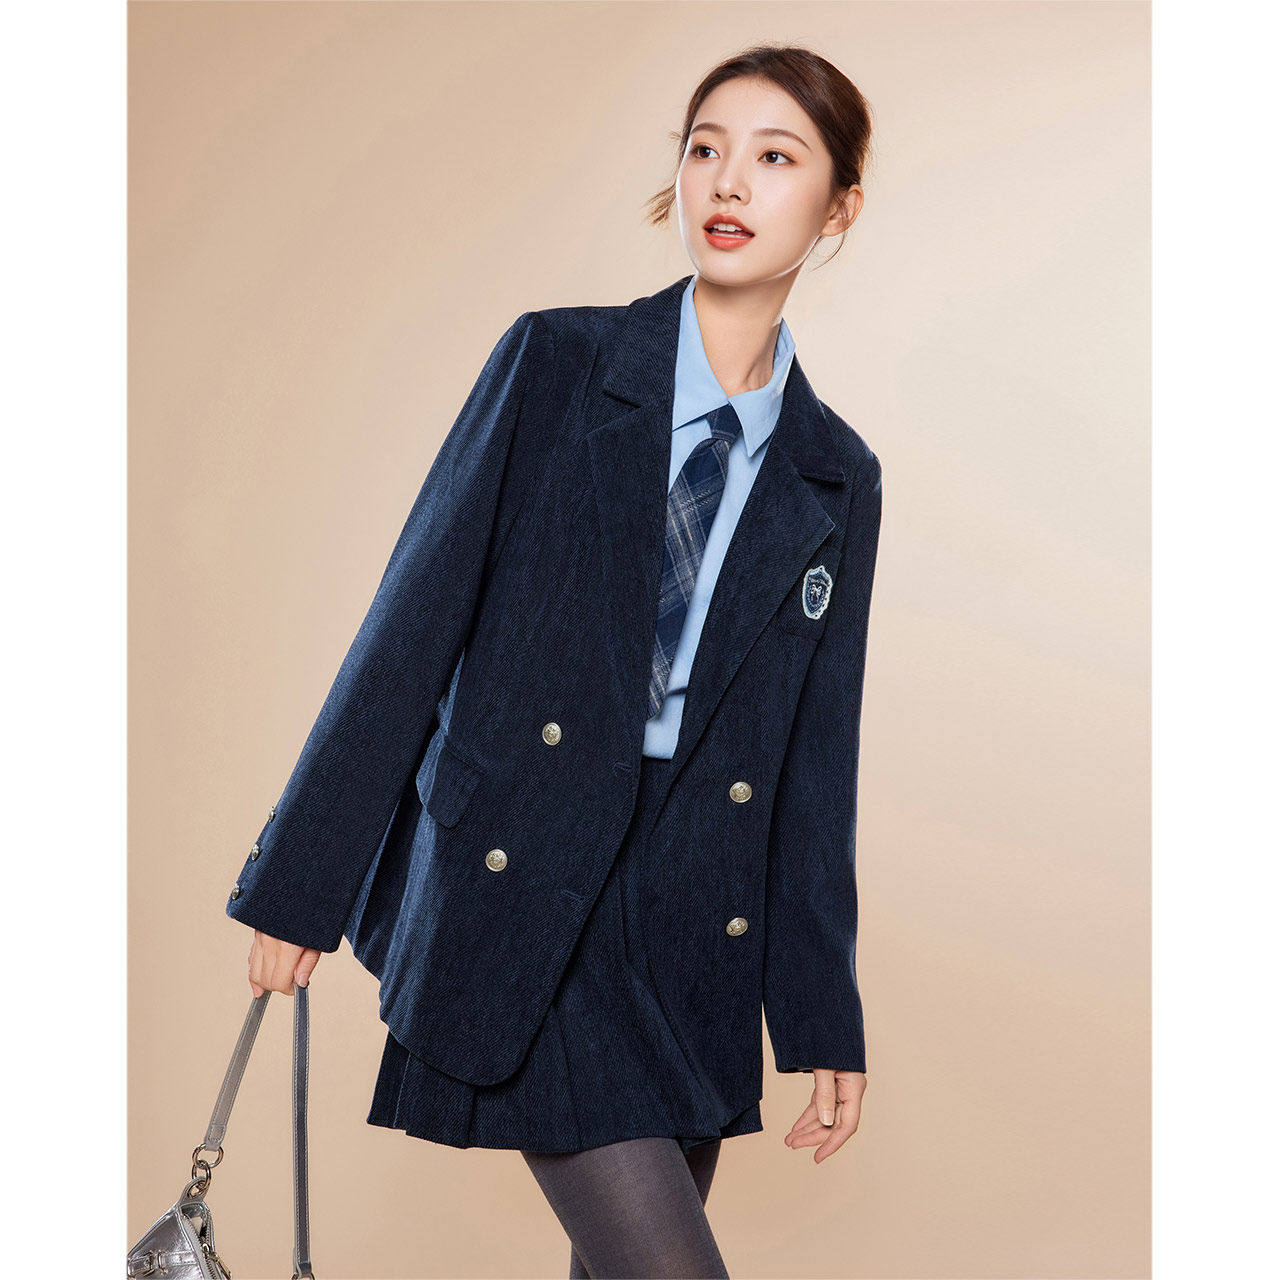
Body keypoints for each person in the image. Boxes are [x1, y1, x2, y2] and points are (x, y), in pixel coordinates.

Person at [226, 43, 881, 1279]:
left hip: (693, 915)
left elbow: (811, 758)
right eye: (704, 147)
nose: (726, 181)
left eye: (774, 156)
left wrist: (819, 1010)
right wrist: (300, 882)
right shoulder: (557, 365)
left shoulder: (834, 472)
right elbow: (413, 620)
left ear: (837, 205)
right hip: (526, 877)